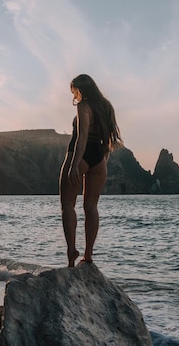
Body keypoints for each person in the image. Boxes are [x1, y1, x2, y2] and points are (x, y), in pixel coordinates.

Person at [60, 74, 122, 267]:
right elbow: (110, 139)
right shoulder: (107, 106)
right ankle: (88, 255)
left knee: (68, 205)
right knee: (91, 207)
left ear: (81, 89)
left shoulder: (84, 106)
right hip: (99, 159)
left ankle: (71, 253)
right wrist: (103, 161)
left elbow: (83, 136)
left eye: (75, 91)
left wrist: (74, 164)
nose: (75, 96)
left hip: (81, 155)